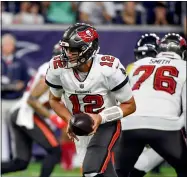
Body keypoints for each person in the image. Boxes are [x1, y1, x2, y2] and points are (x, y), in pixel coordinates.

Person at [45, 23, 136, 177]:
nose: (68, 54)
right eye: (66, 49)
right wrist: (70, 119)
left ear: (89, 49)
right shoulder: (58, 67)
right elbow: (54, 100)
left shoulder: (108, 69)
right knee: (101, 172)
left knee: (91, 171)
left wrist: (100, 117)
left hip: (106, 124)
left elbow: (130, 105)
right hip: (80, 128)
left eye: (74, 49)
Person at [115, 33, 187, 177]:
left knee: (120, 172)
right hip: (166, 124)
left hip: (130, 123)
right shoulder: (184, 66)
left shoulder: (137, 65)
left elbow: (121, 97)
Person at [1, 43, 65, 177]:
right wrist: (53, 117)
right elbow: (32, 99)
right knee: (54, 150)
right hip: (26, 112)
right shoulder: (52, 69)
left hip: (21, 111)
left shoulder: (55, 69)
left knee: (21, 162)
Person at [1, 33, 30, 161]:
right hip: (2, 99)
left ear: (13, 46)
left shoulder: (20, 62)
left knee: (16, 130)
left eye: (9, 44)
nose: (7, 47)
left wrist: (20, 86)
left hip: (16, 100)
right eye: (5, 44)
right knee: (1, 130)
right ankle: (3, 158)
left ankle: (17, 157)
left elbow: (26, 81)